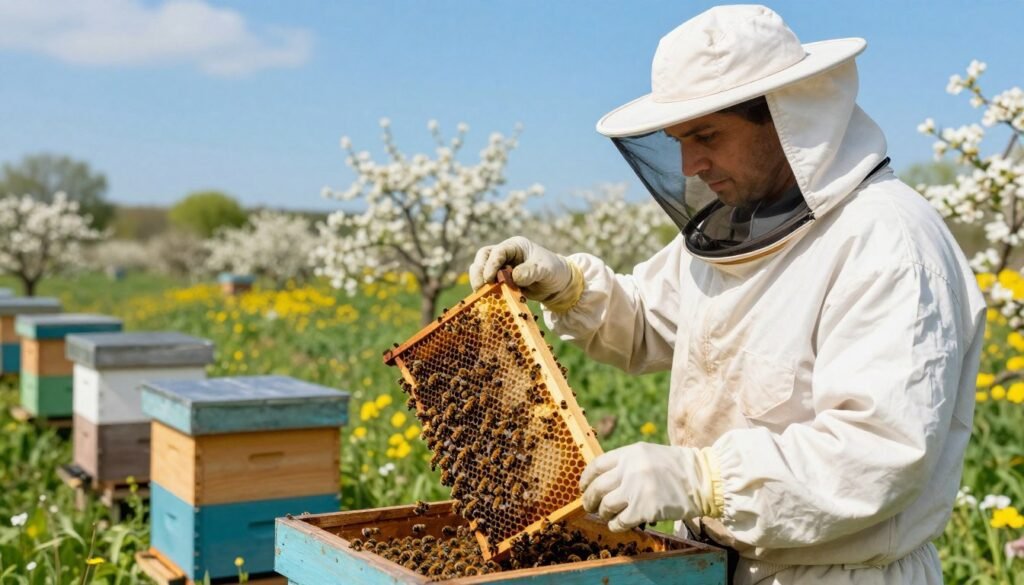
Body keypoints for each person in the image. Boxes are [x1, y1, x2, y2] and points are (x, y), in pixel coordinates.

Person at [469, 5, 985, 584]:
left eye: (707, 135)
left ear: (787, 117)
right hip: (719, 564)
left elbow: (878, 453)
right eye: (678, 141)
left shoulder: (888, 244)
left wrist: (703, 480)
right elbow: (651, 322)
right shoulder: (739, 228)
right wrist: (569, 286)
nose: (691, 165)